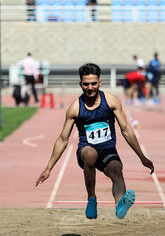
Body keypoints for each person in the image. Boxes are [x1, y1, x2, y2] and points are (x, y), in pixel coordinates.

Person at [35, 63, 154, 219]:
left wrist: (142, 157)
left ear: (99, 83)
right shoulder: (75, 108)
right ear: (80, 84)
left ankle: (120, 205)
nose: (90, 87)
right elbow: (63, 139)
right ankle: (92, 198)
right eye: (86, 84)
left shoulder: (111, 101)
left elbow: (126, 130)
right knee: (91, 155)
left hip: (108, 150)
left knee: (117, 169)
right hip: (86, 150)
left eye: (93, 83)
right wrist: (49, 167)